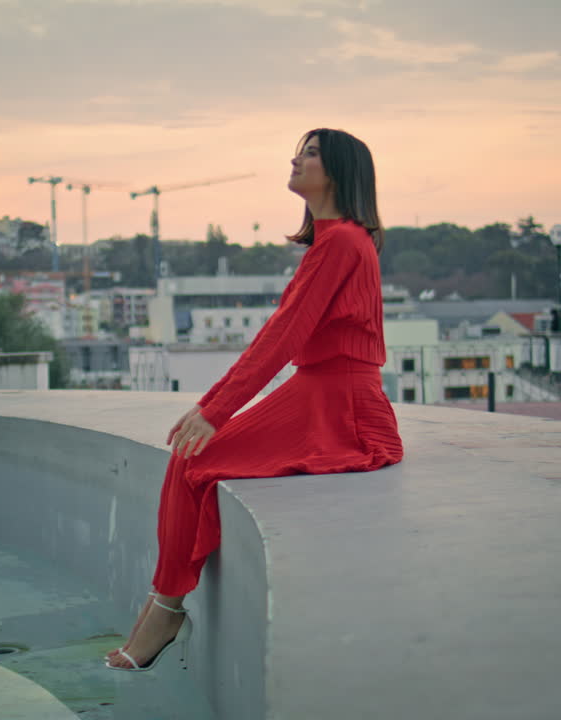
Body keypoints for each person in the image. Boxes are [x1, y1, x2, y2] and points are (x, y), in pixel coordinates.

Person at [105, 129, 404, 672]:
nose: (295, 158)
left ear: (337, 171)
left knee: (192, 460)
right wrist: (209, 406)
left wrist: (216, 413)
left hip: (344, 408)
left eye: (310, 153)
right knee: (188, 455)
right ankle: (163, 603)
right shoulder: (334, 240)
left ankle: (166, 609)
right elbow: (279, 333)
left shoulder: (341, 243)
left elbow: (286, 334)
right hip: (318, 392)